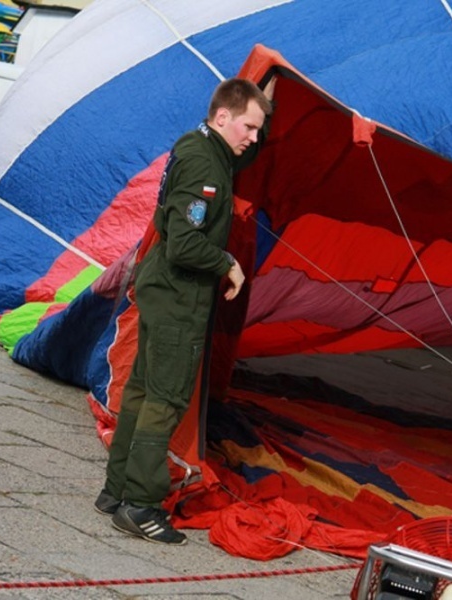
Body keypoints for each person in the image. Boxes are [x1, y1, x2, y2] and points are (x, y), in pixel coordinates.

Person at [94, 76, 276, 545]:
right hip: (179, 296)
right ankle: (141, 504)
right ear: (223, 118)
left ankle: (116, 491)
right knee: (166, 399)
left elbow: (242, 151)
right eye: (250, 127)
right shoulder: (205, 169)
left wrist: (267, 106)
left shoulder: (203, 146)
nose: (254, 138)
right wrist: (228, 263)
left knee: (141, 391)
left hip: (162, 289)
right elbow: (185, 243)